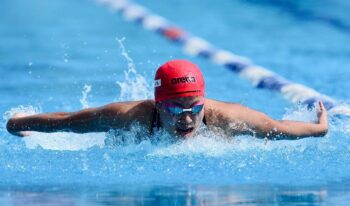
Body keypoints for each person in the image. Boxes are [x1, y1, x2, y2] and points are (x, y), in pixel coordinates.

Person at [6, 59, 328, 140]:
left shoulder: (225, 117)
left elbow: (275, 127)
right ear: (159, 104)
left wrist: (320, 129)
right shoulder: (132, 117)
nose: (187, 118)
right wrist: (16, 123)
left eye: (194, 108)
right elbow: (70, 122)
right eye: (176, 108)